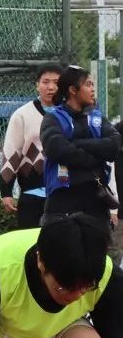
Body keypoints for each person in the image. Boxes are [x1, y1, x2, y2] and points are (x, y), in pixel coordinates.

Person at [40, 66, 120, 228]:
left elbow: (114, 145)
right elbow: (57, 149)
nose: (93, 89)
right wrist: (95, 159)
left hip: (96, 201)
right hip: (63, 201)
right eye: (88, 84)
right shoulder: (53, 117)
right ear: (73, 90)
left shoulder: (97, 118)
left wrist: (76, 143)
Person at [0, 65, 60, 230]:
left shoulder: (70, 114)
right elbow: (12, 152)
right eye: (45, 82)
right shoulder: (22, 115)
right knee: (30, 242)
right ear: (37, 85)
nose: (51, 87)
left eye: (56, 82)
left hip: (64, 194)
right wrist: (6, 191)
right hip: (32, 193)